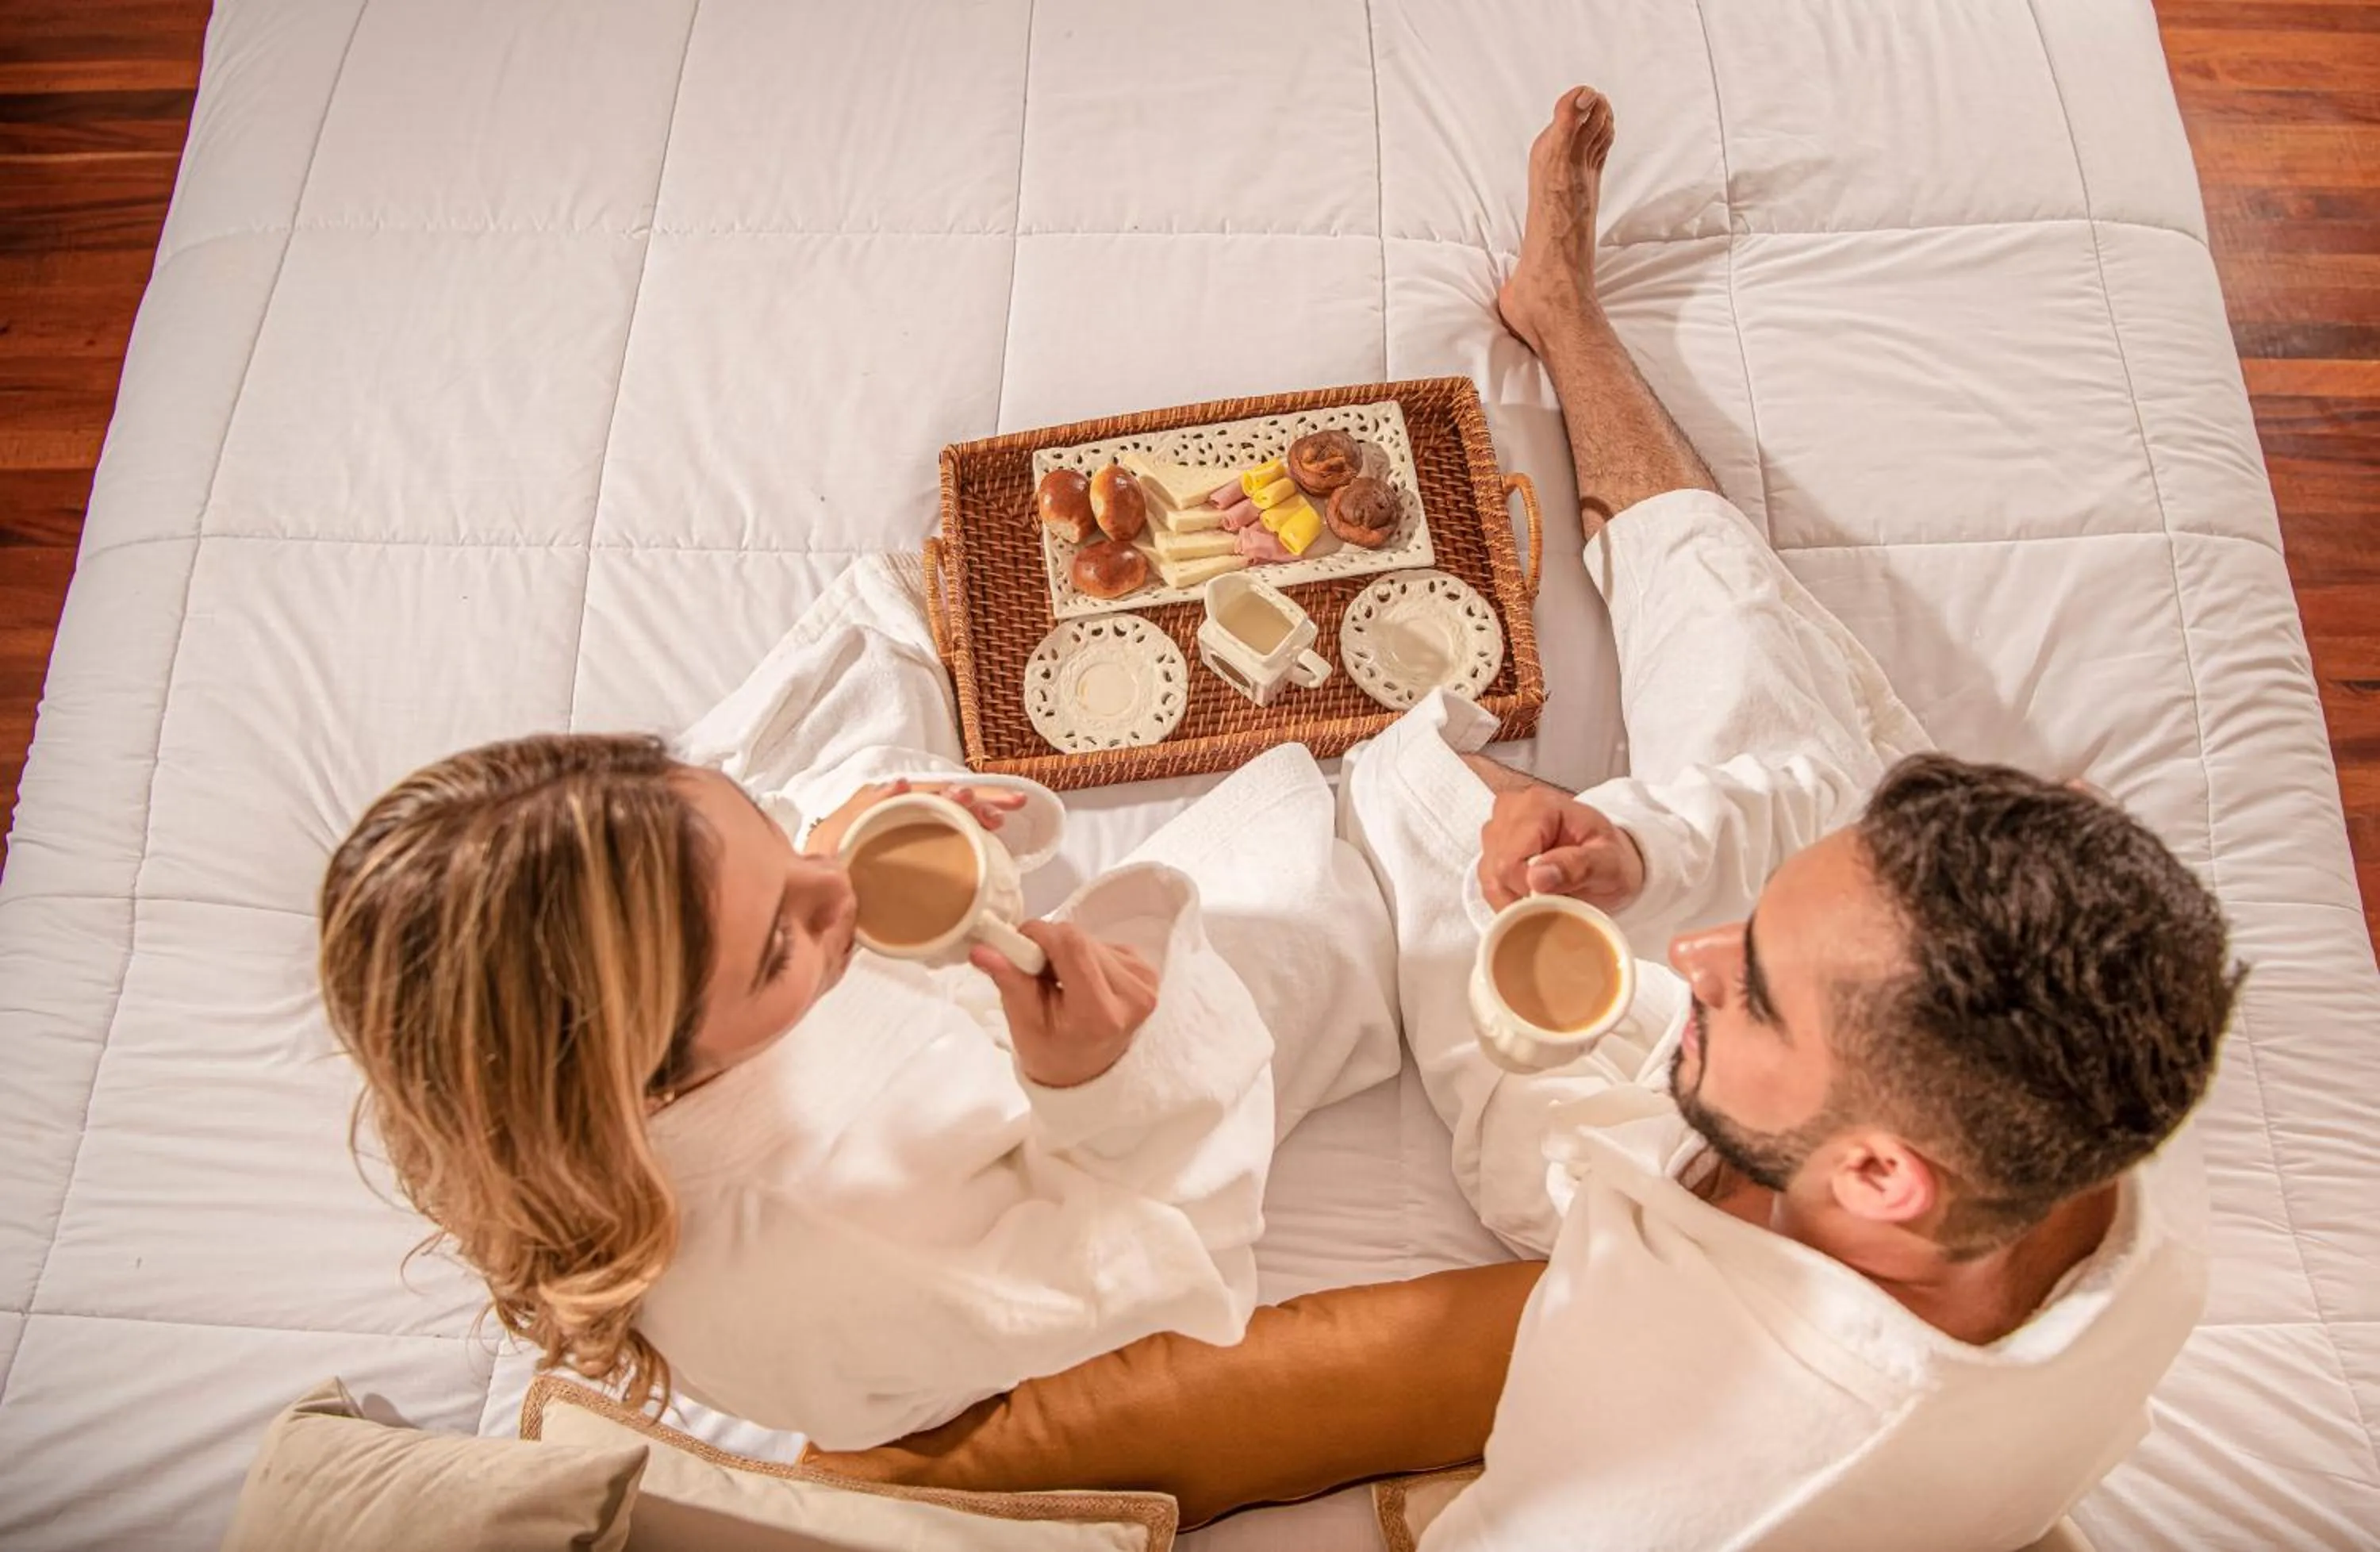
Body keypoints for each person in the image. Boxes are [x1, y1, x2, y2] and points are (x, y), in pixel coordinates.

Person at [1338, 87, 2240, 1550]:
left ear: (1882, 1173)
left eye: (1747, 986)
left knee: (1417, 801)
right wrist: (1648, 854)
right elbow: (1793, 893)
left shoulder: (1681, 1467)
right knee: (1756, 674)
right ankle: (1564, 317)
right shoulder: (2105, 1130)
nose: (1691, 949)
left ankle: (1517, 810)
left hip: (1619, 1165)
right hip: (1787, 1154)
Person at [318, 563, 1399, 1450]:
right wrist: (1100, 1087)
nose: (835, 890)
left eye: (764, 836)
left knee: (864, 731)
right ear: (646, 1074)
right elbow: (1140, 1249)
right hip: (952, 1264)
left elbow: (775, 881)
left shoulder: (609, 1032)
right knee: (1316, 919)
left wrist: (828, 857)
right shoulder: (815, 1253)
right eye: (777, 945)